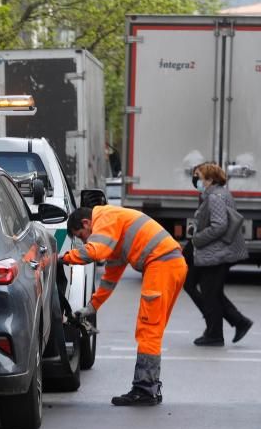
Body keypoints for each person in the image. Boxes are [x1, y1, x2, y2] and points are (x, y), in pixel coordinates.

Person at [61, 205, 187, 406]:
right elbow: (110, 277)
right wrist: (91, 308)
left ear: (86, 223)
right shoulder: (116, 228)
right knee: (153, 330)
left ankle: (144, 390)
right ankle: (150, 387)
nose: (85, 241)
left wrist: (63, 258)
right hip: (170, 265)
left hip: (161, 265)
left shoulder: (104, 217)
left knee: (148, 330)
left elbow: (95, 251)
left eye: (82, 236)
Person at [183, 163, 252, 346]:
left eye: (198, 176)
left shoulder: (215, 197)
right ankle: (236, 322)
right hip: (212, 251)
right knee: (203, 288)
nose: (195, 180)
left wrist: (197, 238)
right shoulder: (214, 194)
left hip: (216, 252)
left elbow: (219, 225)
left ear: (210, 179)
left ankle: (216, 332)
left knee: (209, 292)